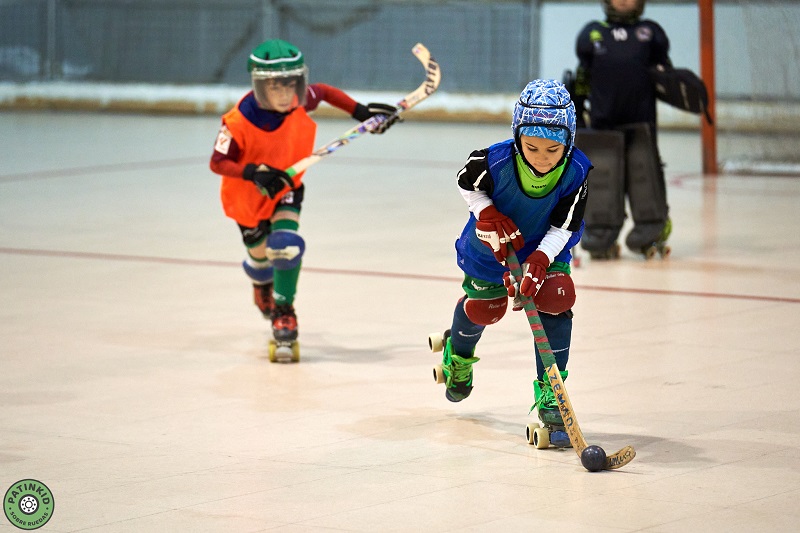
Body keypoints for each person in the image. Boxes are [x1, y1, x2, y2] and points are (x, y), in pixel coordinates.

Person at [209, 39, 399, 358]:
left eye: (291, 85)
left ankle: (284, 310)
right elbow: (218, 162)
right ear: (259, 87)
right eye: (276, 88)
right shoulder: (237, 121)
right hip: (247, 198)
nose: (287, 95)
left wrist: (360, 111)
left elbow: (323, 91)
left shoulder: (299, 100)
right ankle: (261, 284)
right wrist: (254, 172)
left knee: (285, 244)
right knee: (260, 262)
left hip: (287, 187)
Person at [432, 79, 589, 438]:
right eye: (531, 147)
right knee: (486, 307)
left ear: (569, 141)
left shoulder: (577, 171)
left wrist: (539, 261)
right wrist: (485, 212)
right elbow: (466, 183)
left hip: (546, 242)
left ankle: (552, 396)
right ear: (517, 136)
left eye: (553, 150)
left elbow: (566, 226)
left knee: (555, 297)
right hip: (490, 242)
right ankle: (457, 353)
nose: (542, 159)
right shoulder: (494, 160)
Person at [572, 0, 673, 259]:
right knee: (602, 181)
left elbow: (666, 75)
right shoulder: (593, 33)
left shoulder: (651, 33)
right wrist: (576, 107)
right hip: (602, 125)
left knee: (645, 179)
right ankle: (600, 236)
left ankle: (650, 230)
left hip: (641, 124)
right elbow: (583, 76)